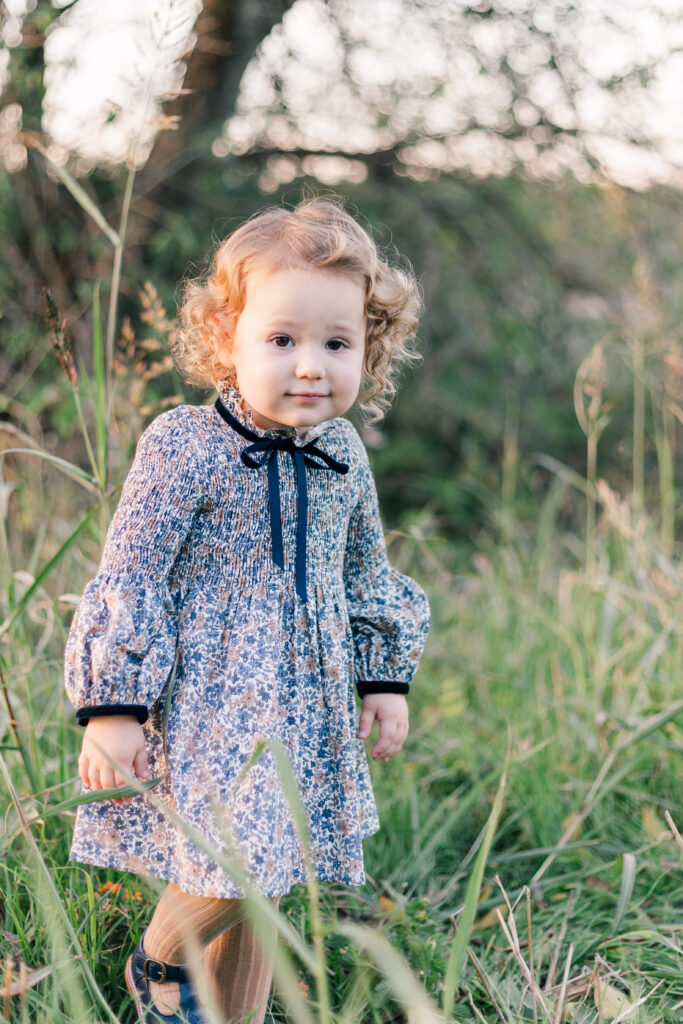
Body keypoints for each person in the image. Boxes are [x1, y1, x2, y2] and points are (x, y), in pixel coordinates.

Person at [64, 197, 430, 1023]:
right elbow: (134, 576)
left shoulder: (342, 453)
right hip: (212, 700)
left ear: (369, 348)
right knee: (237, 859)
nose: (311, 365)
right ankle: (158, 960)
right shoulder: (184, 443)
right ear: (225, 337)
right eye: (282, 339)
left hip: (310, 703)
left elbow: (366, 576)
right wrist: (112, 707)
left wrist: (384, 681)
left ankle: (233, 1014)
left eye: (336, 344)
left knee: (280, 871)